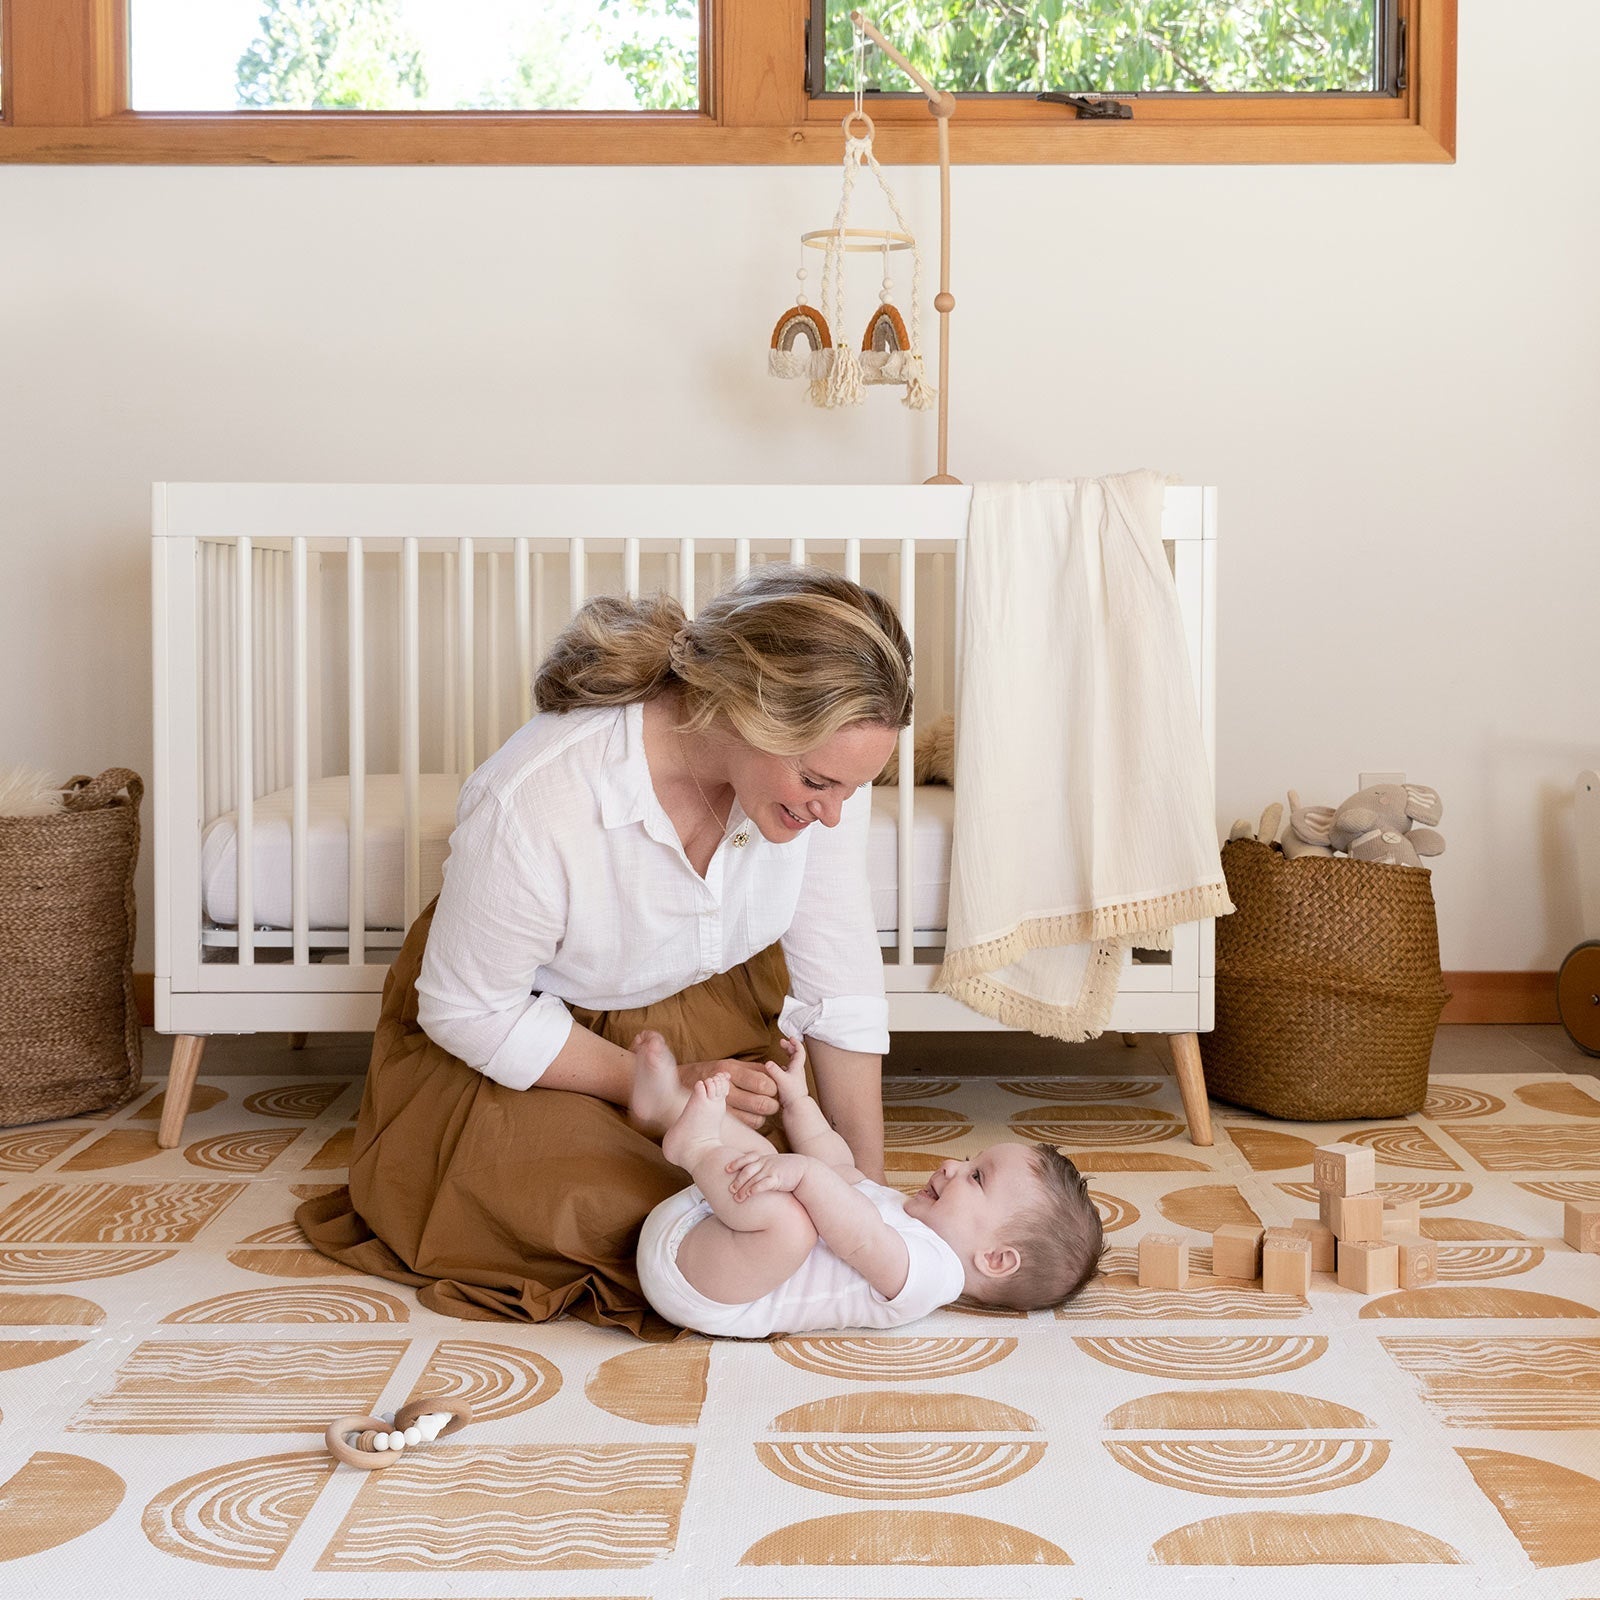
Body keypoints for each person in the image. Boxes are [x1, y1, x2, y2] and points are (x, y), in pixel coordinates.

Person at [299, 564, 912, 1337]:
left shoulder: (820, 784)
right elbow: (467, 1009)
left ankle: (702, 1154)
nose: (831, 815)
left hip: (702, 1023)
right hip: (535, 1041)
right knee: (619, 1218)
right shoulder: (540, 797)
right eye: (819, 783)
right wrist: (655, 1084)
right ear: (744, 711)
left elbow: (839, 985)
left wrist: (870, 1195)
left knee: (781, 1190)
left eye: (851, 791)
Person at [629, 1029, 1104, 1337]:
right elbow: (836, 1165)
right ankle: (668, 1103)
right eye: (966, 1159)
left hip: (702, 1287)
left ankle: (693, 1149)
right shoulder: (908, 1214)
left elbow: (858, 1235)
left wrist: (806, 1174)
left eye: (976, 1177)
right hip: (709, 1229)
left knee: (793, 1222)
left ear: (995, 1259)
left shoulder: (932, 1276)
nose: (949, 1166)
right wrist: (799, 1102)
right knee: (777, 1165)